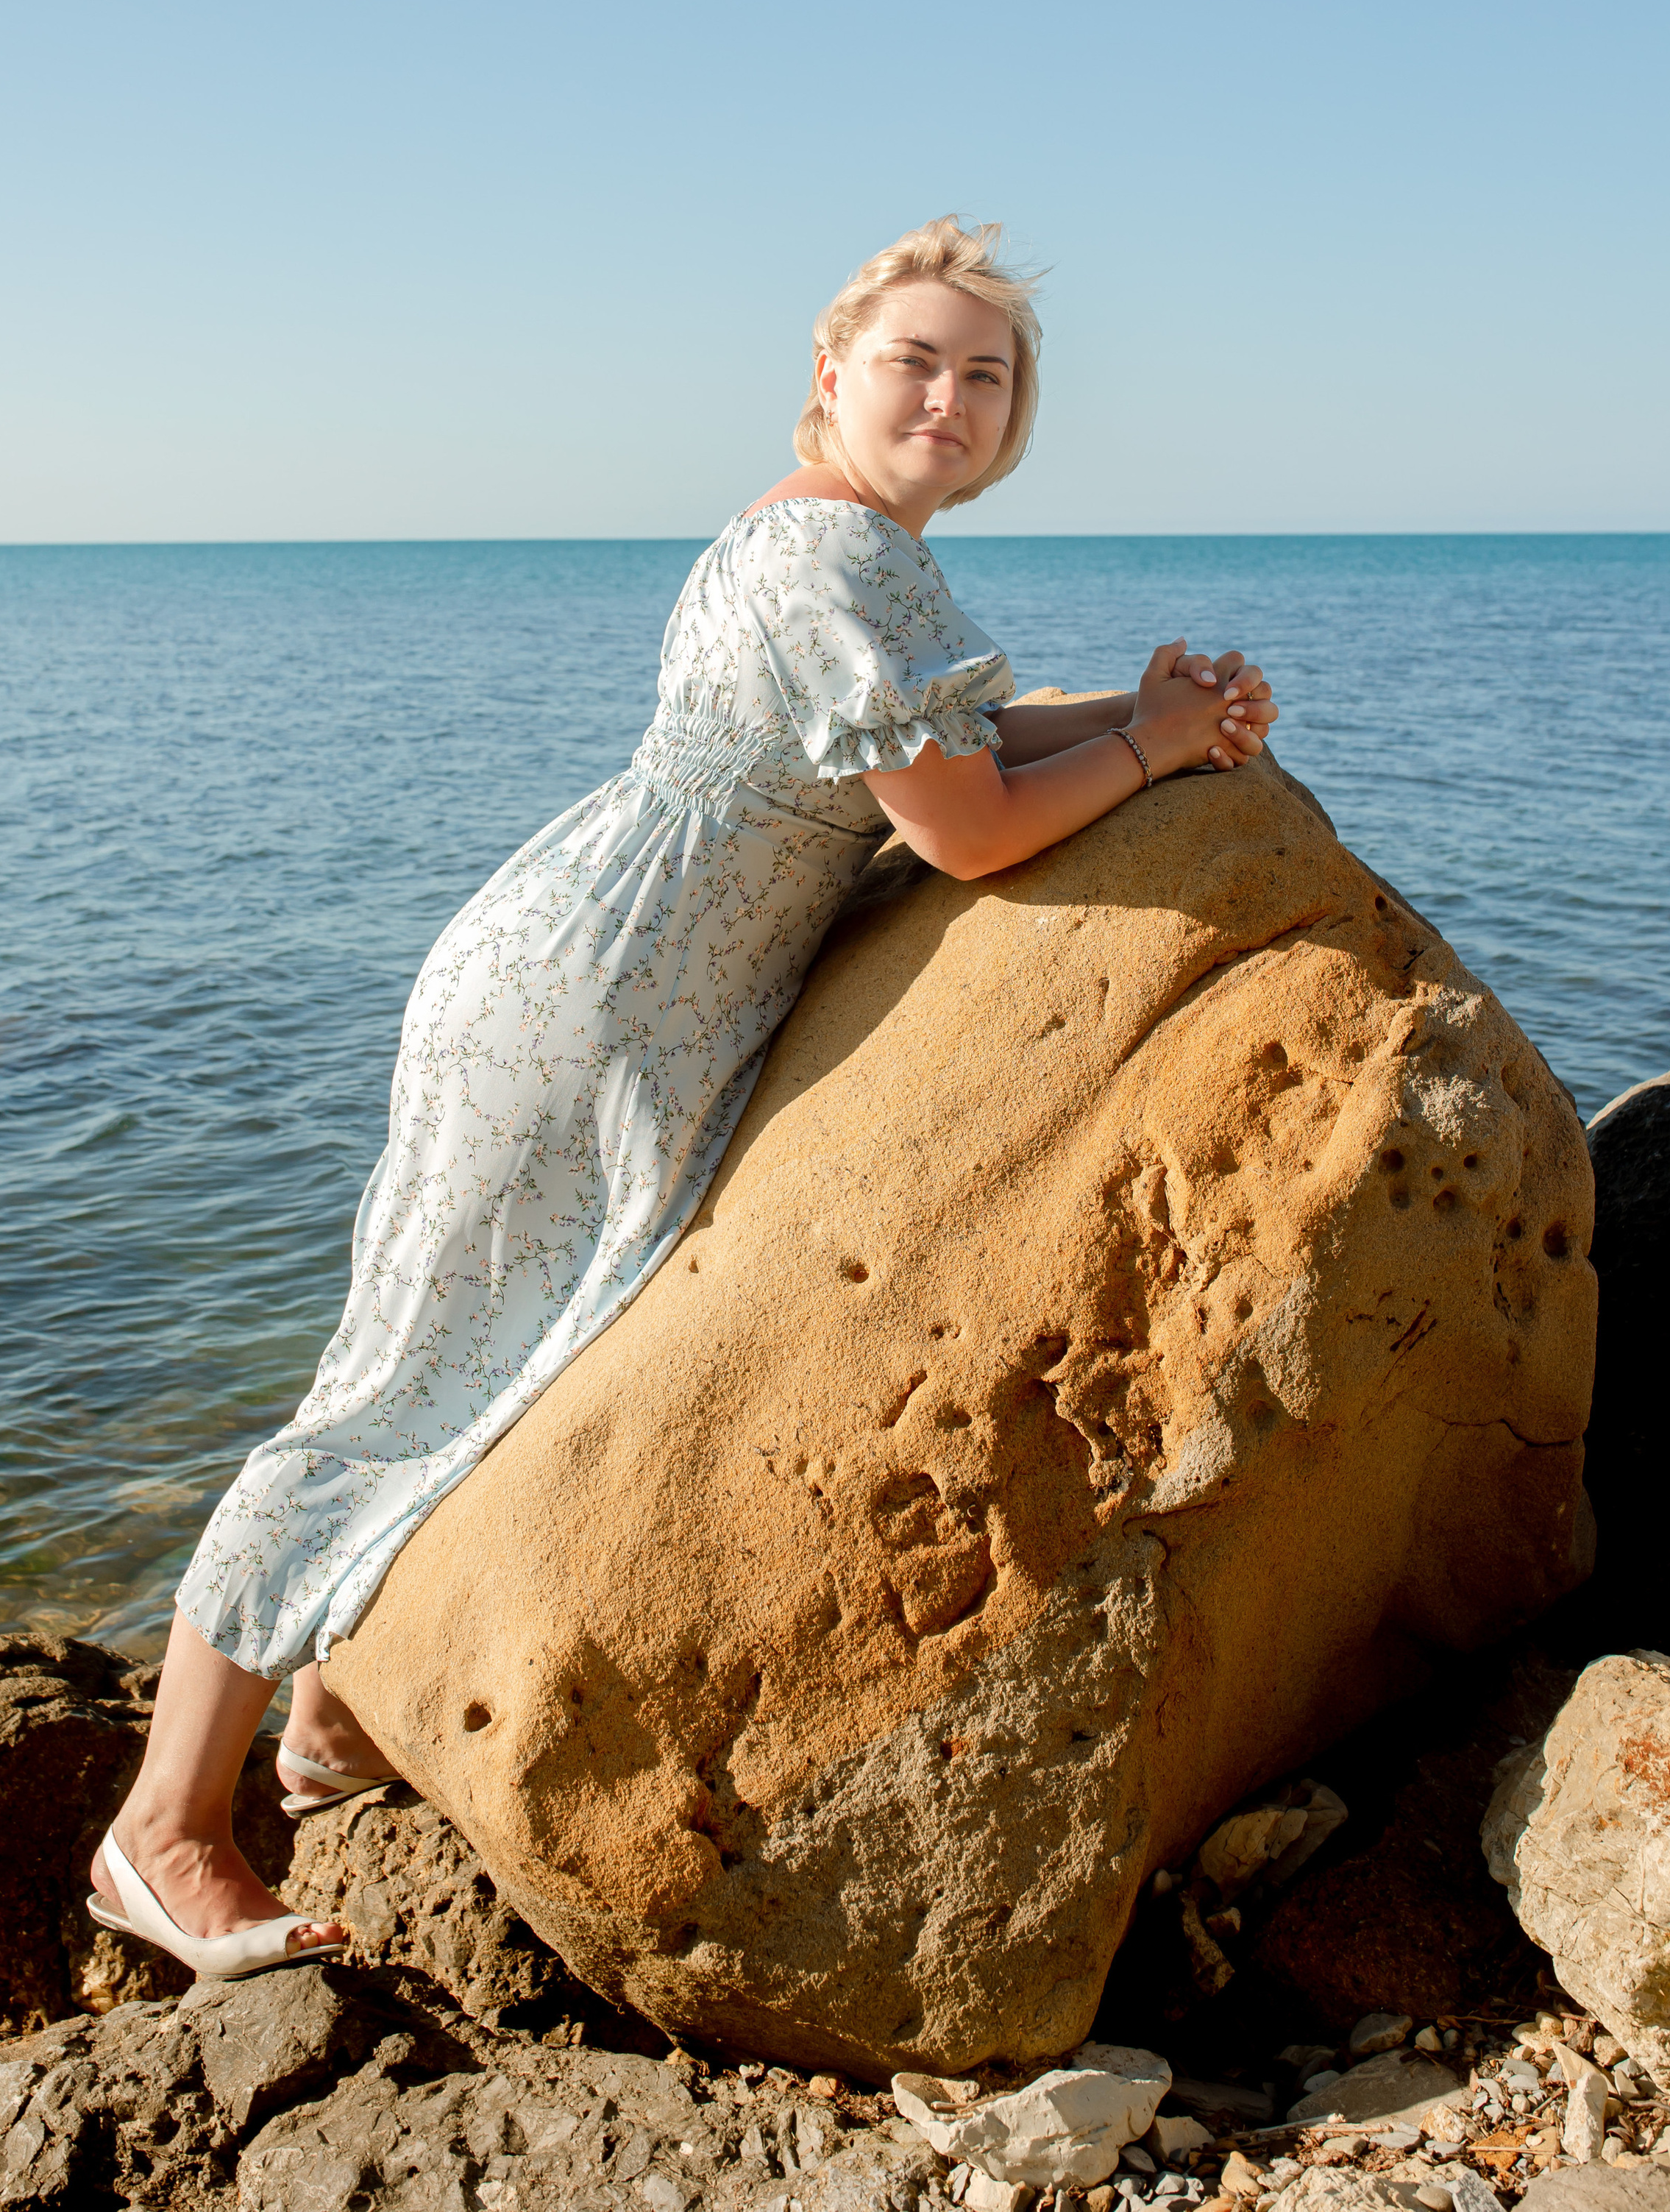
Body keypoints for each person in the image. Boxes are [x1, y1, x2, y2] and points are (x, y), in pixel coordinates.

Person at [89, 216, 1278, 1977]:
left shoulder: (859, 552)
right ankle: (163, 1832)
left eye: (986, 374)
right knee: (396, 1383)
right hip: (580, 1006)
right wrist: (1149, 751)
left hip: (631, 995)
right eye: (914, 361)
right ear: (828, 374)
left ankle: (327, 1733)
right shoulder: (826, 563)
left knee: (515, 1351)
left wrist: (1147, 702)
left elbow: (951, 738)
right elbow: (957, 827)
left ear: (1015, 418)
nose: (949, 395)